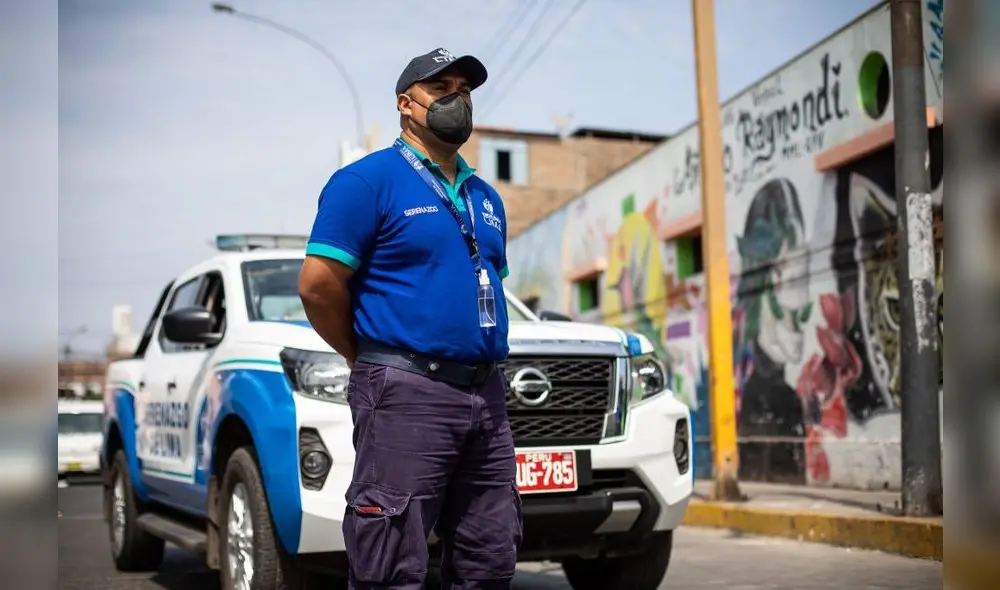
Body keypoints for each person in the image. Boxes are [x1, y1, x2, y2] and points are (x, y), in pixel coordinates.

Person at [298, 47, 521, 589]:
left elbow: (483, 281)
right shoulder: (365, 182)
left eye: (465, 91)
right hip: (405, 390)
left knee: (490, 556)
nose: (457, 100)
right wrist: (365, 358)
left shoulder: (485, 196)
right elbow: (318, 286)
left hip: (485, 395)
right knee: (392, 563)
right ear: (406, 104)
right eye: (442, 89)